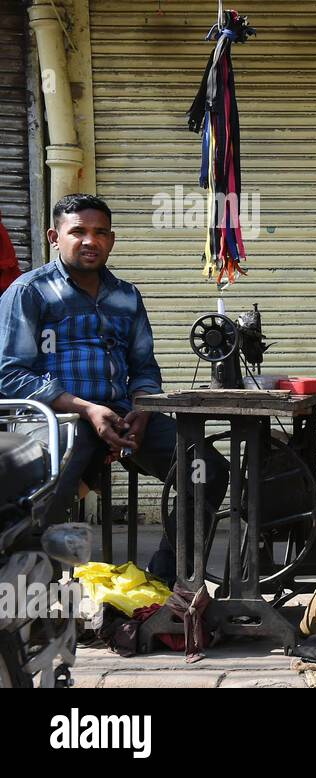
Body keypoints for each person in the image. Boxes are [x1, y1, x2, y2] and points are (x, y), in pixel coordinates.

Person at [0, 193, 228, 584]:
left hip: (122, 415)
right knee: (51, 492)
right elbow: (9, 373)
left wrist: (144, 408)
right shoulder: (29, 292)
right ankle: (39, 599)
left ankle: (165, 579)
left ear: (112, 239)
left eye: (100, 232)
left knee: (206, 468)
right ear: (56, 237)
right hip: (60, 417)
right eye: (79, 232)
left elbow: (143, 367)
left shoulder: (126, 295)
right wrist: (87, 409)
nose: (91, 241)